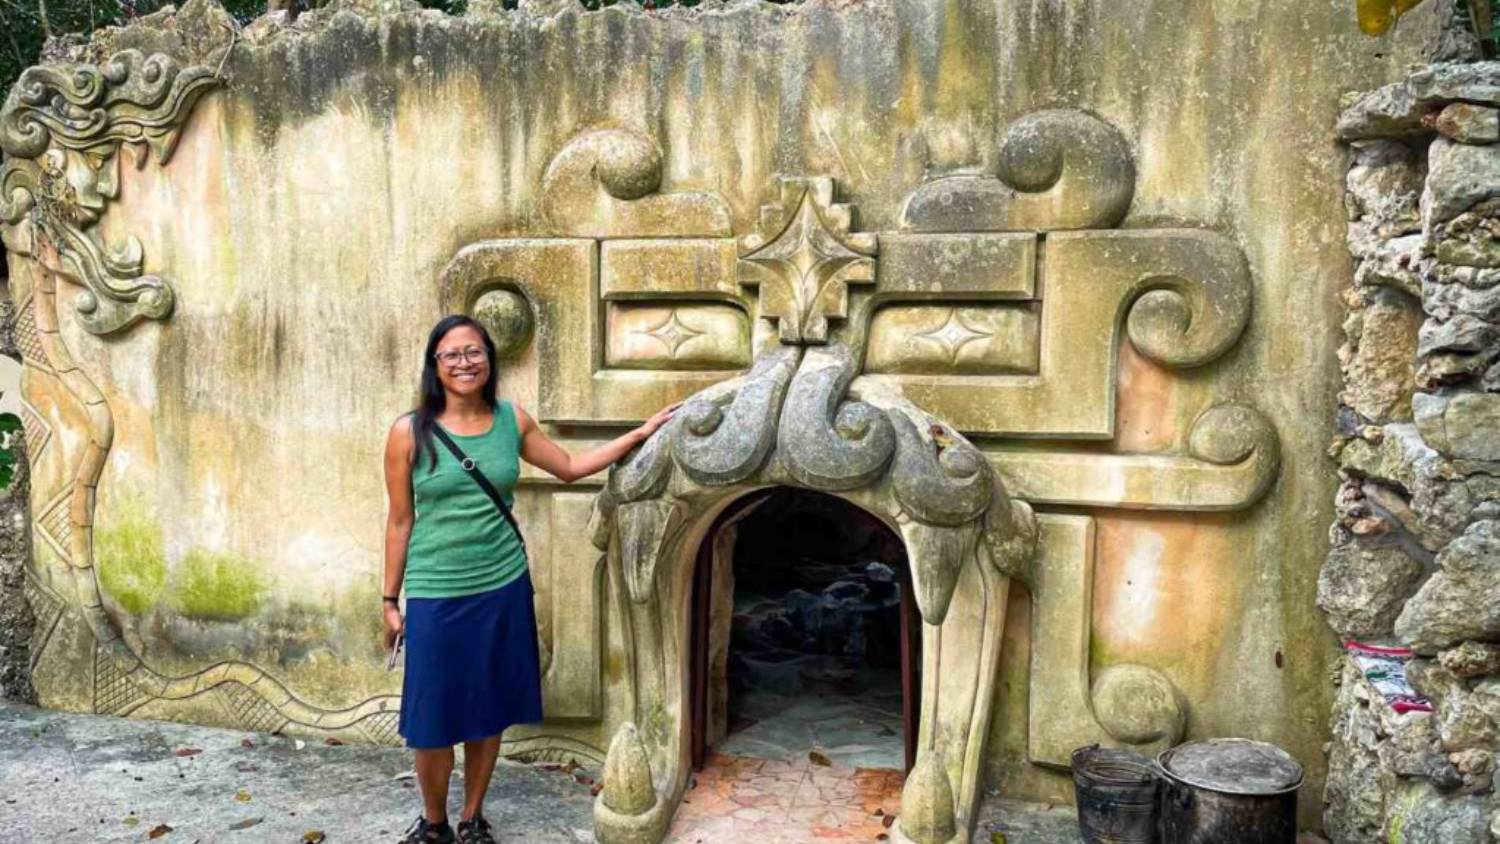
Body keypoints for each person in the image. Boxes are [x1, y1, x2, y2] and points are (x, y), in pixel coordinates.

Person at [382, 314, 677, 844]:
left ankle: (472, 817)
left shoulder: (511, 420)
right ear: (435, 366)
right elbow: (400, 520)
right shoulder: (409, 432)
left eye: (474, 352)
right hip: (435, 592)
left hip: (502, 584)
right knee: (431, 720)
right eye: (452, 354)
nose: (465, 362)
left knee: (487, 709)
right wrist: (389, 599)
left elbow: (568, 465)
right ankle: (434, 823)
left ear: (489, 359)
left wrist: (639, 433)